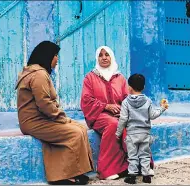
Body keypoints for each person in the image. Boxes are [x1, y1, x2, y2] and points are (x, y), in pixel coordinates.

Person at [15, 41, 93, 185]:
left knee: (81, 128)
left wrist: (60, 117)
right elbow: (44, 104)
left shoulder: (37, 72)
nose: (57, 59)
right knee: (74, 133)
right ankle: (65, 175)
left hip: (41, 118)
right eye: (55, 55)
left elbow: (46, 103)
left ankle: (75, 171)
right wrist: (61, 118)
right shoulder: (38, 75)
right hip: (34, 122)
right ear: (47, 56)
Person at [80, 46, 129, 180]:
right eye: (100, 55)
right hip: (99, 115)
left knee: (132, 124)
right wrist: (106, 106)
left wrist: (124, 112)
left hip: (119, 115)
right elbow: (86, 100)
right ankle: (107, 170)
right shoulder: (90, 77)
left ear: (111, 57)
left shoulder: (120, 78)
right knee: (113, 125)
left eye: (107, 54)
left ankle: (133, 165)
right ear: (97, 58)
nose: (104, 58)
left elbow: (127, 99)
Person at [115, 74, 169, 184]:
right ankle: (146, 175)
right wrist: (162, 108)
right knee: (145, 155)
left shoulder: (126, 102)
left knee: (132, 156)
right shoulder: (148, 101)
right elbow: (153, 115)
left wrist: (118, 133)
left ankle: (132, 176)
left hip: (132, 135)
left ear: (129, 87)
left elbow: (123, 119)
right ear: (143, 87)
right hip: (145, 134)